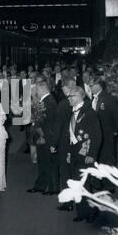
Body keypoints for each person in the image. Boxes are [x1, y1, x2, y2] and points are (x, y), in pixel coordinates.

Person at [66, 86, 102, 223]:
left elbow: (97, 136)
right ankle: (83, 211)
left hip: (86, 154)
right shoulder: (73, 112)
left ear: (79, 97)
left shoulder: (89, 113)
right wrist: (69, 152)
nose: (68, 99)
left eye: (71, 96)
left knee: (83, 184)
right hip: (75, 153)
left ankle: (91, 211)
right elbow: (71, 135)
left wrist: (92, 154)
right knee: (77, 183)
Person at [27, 80, 58, 195]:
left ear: (42, 89)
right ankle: (41, 185)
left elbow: (47, 120)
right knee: (42, 161)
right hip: (43, 135)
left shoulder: (48, 101)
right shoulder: (44, 100)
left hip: (46, 136)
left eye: (36, 90)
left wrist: (39, 129)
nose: (35, 92)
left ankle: (52, 188)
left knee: (48, 162)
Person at [52, 79, 74, 211]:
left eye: (63, 88)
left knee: (65, 172)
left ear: (67, 88)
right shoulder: (84, 100)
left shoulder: (63, 104)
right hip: (76, 142)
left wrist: (53, 144)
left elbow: (58, 126)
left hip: (65, 142)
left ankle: (68, 202)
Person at [91, 78, 118, 167]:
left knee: (108, 156)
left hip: (107, 132)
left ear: (98, 86)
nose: (90, 87)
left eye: (91, 85)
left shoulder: (108, 98)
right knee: (101, 156)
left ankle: (110, 175)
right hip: (98, 132)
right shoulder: (94, 98)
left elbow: (117, 115)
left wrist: (115, 130)